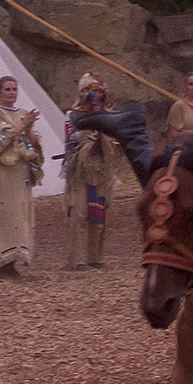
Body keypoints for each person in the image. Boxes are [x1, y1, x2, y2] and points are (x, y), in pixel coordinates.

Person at [0, 75, 43, 279]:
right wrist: (22, 126)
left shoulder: (22, 114)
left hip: (20, 174)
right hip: (2, 175)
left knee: (18, 216)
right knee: (2, 215)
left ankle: (12, 262)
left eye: (14, 89)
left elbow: (31, 143)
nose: (12, 93)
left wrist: (29, 131)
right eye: (7, 89)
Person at [63, 72, 121, 270]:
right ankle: (77, 260)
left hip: (101, 170)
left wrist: (106, 120)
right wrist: (95, 126)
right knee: (79, 212)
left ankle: (94, 257)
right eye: (93, 91)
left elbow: (114, 140)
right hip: (80, 168)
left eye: (100, 92)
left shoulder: (106, 115)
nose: (97, 96)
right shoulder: (73, 115)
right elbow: (72, 139)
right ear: (83, 92)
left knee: (99, 213)